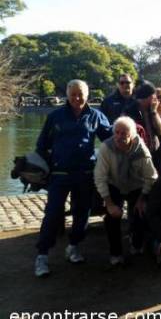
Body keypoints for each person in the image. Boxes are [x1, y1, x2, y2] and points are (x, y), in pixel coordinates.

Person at [34, 80, 112, 277]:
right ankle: (42, 256)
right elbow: (41, 145)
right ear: (67, 95)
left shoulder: (96, 116)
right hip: (59, 174)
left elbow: (112, 139)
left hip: (85, 174)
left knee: (82, 215)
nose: (77, 98)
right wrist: (47, 168)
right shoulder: (55, 116)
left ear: (88, 95)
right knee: (52, 214)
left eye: (81, 94)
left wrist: (133, 136)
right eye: (73, 94)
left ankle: (74, 246)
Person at [94, 116, 158, 265]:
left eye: (124, 133)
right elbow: (100, 177)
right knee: (112, 217)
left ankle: (136, 243)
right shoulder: (106, 148)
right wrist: (109, 203)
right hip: (114, 184)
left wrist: (142, 199)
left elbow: (151, 176)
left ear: (132, 135)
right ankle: (115, 253)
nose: (119, 136)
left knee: (140, 213)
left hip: (136, 186)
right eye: (116, 132)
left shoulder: (141, 150)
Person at [124, 81, 161, 155]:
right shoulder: (129, 112)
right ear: (148, 97)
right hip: (138, 154)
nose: (155, 98)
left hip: (155, 153)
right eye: (153, 95)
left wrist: (154, 112)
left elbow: (160, 130)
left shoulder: (152, 109)